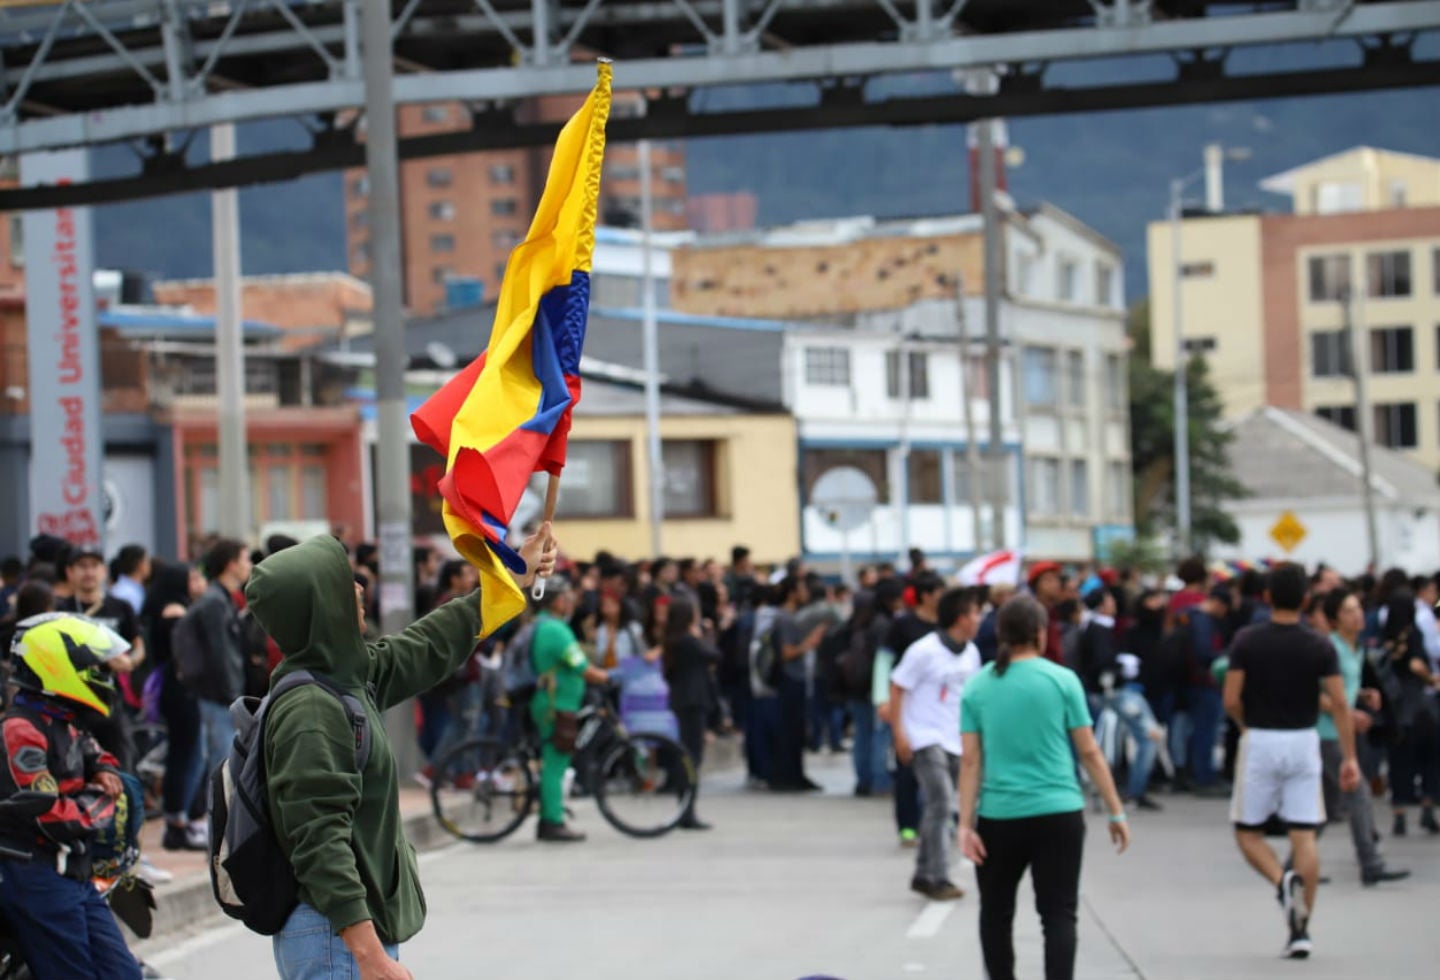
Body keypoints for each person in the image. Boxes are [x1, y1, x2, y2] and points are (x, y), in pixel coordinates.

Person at [254, 528, 554, 980]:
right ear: (319, 606)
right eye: (342, 582)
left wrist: (515, 572)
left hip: (344, 935)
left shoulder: (346, 676)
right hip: (335, 939)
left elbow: (430, 643)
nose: (358, 587)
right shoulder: (312, 707)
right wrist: (370, 956)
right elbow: (318, 841)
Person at [959, 596, 1130, 980]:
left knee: (996, 912)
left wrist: (965, 824)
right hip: (1059, 814)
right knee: (1058, 914)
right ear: (1040, 633)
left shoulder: (978, 686)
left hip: (999, 816)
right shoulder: (1062, 680)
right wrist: (1116, 810)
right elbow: (1089, 750)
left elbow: (971, 761)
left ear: (1000, 633)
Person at [1222, 562, 1361, 960]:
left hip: (1262, 738)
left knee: (1248, 832)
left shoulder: (1246, 641)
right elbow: (1338, 704)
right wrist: (1350, 756)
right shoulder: (1320, 645)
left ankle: (1281, 880)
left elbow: (1231, 698)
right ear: (1305, 599)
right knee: (1304, 833)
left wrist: (1244, 723)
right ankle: (1300, 928)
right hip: (1305, 741)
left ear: (1266, 597)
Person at [0, 613, 141, 980]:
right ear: (56, 664)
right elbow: (51, 813)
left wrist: (104, 771)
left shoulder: (63, 719)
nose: (101, 674)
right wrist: (99, 801)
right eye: (92, 667)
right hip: (38, 875)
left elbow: (101, 758)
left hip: (75, 874)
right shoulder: (20, 728)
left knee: (125, 973)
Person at [889, 587, 982, 901]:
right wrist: (899, 733)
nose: (979, 619)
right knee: (941, 802)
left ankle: (923, 872)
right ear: (960, 617)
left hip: (955, 738)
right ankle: (938, 876)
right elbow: (898, 686)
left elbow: (971, 697)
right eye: (974, 613)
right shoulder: (923, 650)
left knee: (940, 807)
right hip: (925, 736)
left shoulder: (971, 653)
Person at [1319, 589, 1408, 884]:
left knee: (1327, 805)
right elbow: (1316, 693)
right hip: (1326, 732)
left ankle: (1293, 865)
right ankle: (1370, 864)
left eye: (1358, 609)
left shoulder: (1355, 648)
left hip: (1342, 731)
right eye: (1348, 610)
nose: (1356, 615)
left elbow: (1341, 687)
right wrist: (1347, 712)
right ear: (1334, 619)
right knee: (1358, 795)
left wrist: (1360, 695)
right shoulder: (1329, 648)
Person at [529, 576, 610, 842]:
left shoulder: (543, 625)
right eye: (568, 598)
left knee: (555, 760)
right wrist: (608, 677)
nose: (571, 603)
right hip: (557, 705)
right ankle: (553, 822)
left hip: (554, 702)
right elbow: (581, 666)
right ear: (557, 601)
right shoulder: (555, 630)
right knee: (556, 763)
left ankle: (548, 818)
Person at [55, 547, 145, 773]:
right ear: (70, 572)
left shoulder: (120, 607)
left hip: (111, 703)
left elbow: (139, 646)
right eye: (82, 566)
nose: (89, 572)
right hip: (71, 704)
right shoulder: (61, 610)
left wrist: (129, 662)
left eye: (94, 566)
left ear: (104, 571)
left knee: (123, 769)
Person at [142, 562, 210, 851]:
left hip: (180, 691)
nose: (199, 582)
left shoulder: (172, 606)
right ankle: (178, 822)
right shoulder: (175, 611)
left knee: (189, 754)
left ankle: (183, 819)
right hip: (180, 692)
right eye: (193, 577)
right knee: (188, 755)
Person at [879, 572, 943, 844]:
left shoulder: (946, 625)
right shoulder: (902, 625)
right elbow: (883, 662)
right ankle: (907, 825)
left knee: (942, 766)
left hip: (938, 710)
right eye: (940, 592)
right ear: (926, 595)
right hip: (904, 704)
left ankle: (942, 819)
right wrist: (881, 698)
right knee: (907, 766)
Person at [183, 540, 252, 785]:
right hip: (218, 697)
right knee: (222, 767)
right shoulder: (215, 601)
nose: (249, 566)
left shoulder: (221, 598)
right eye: (246, 560)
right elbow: (220, 652)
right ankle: (217, 821)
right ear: (231, 565)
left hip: (219, 695)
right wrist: (231, 693)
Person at [1378, 591, 1440, 837]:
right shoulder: (1413, 633)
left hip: (1394, 707)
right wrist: (1431, 678)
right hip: (1418, 706)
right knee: (1429, 758)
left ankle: (1399, 815)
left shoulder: (1386, 637)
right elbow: (1416, 665)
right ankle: (1427, 808)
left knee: (1398, 762)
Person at [663, 596, 721, 830]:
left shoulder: (673, 639)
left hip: (684, 699)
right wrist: (706, 634)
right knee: (691, 757)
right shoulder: (687, 640)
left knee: (689, 755)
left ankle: (686, 808)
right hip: (692, 700)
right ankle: (687, 810)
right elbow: (714, 655)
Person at [769, 576, 828, 793]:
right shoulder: (785, 618)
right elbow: (786, 653)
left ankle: (795, 774)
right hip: (790, 679)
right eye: (801, 589)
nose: (806, 593)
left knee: (797, 729)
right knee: (790, 729)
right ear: (792, 592)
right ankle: (787, 776)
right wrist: (808, 644)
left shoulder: (792, 617)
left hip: (796, 679)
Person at [109, 544, 150, 617]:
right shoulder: (125, 593)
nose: (149, 566)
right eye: (147, 561)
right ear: (140, 564)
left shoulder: (134, 589)